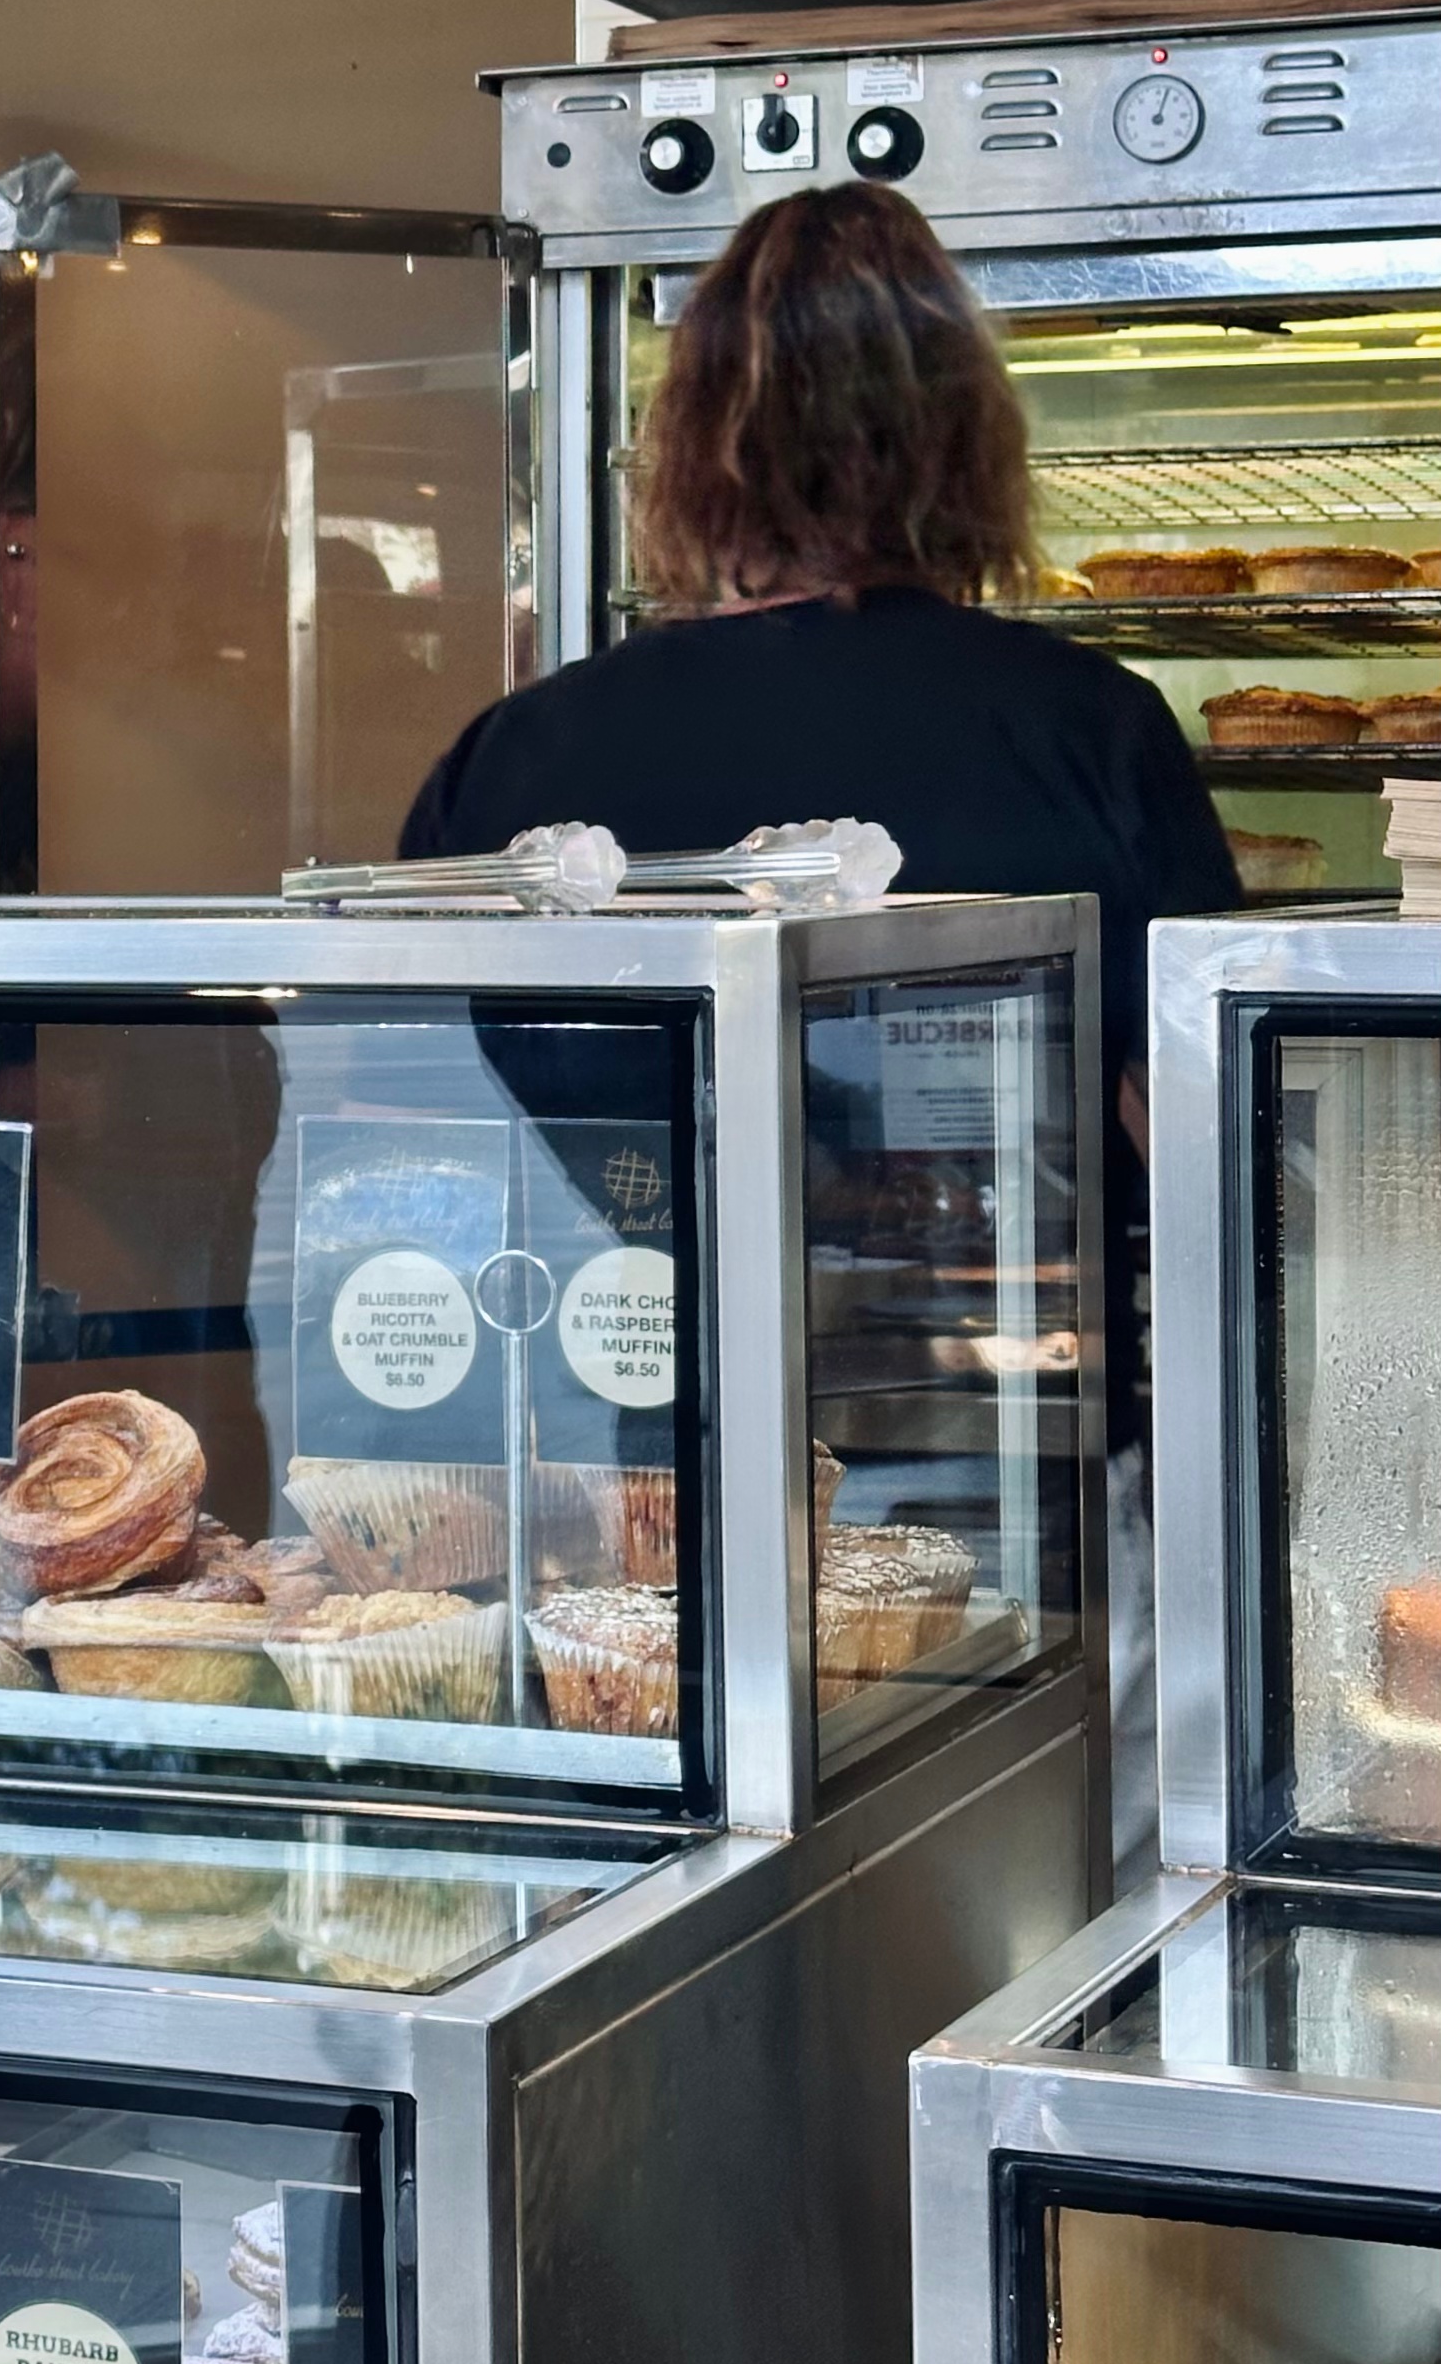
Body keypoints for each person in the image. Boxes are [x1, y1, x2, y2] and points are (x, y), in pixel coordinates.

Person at [404, 178, 1237, 1879]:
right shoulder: (1086, 728)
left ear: (684, 445)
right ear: (962, 446)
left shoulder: (517, 758)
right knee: (1033, 1907)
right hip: (1021, 1488)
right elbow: (1190, 1134)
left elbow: (418, 1142)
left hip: (620, 1490)